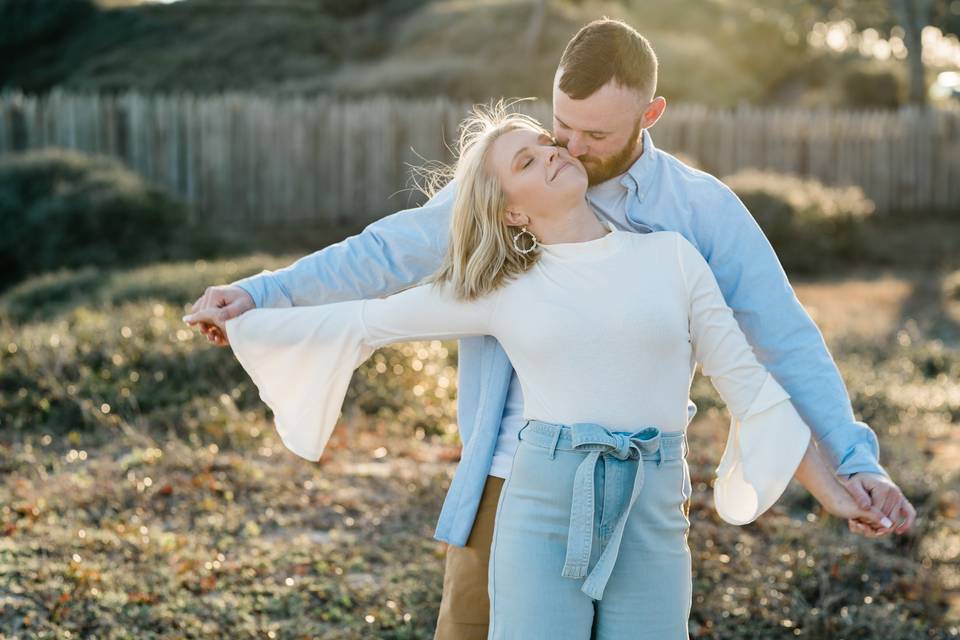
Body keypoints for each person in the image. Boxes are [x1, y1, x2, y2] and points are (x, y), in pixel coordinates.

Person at [183, 18, 915, 639]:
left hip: (644, 487)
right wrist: (260, 296)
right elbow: (384, 259)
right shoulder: (516, 187)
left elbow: (777, 345)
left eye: (592, 133)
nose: (568, 146)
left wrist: (853, 462)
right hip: (512, 479)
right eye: (558, 123)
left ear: (649, 117)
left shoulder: (696, 221)